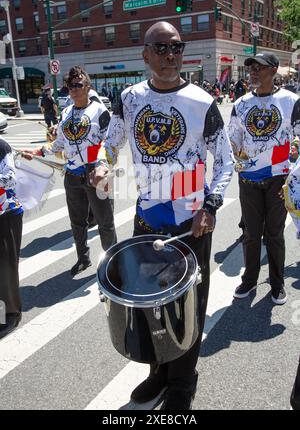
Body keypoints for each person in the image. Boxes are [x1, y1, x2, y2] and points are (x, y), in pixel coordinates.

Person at [90, 21, 234, 410]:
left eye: (177, 47)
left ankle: (182, 383)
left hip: (190, 224)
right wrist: (104, 165)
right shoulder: (130, 97)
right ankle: (157, 373)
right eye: (162, 48)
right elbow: (111, 142)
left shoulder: (202, 101)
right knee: (147, 302)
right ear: (146, 55)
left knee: (189, 303)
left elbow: (225, 162)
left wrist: (210, 206)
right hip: (147, 220)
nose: (171, 56)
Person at [22, 66, 117, 276]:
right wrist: (38, 151)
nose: (74, 89)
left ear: (87, 86)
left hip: (96, 174)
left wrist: (103, 165)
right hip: (72, 175)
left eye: (78, 84)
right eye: (70, 86)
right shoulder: (66, 113)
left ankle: (112, 264)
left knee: (105, 223)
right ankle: (83, 258)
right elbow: (59, 144)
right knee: (77, 223)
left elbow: (110, 143)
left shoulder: (100, 111)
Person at [228, 52, 300, 305]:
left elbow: (299, 137)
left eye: (260, 68)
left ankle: (277, 284)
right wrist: (235, 149)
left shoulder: (291, 101)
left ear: (274, 70)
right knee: (250, 233)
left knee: (274, 234)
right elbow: (233, 135)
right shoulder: (241, 103)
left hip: (278, 179)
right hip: (248, 178)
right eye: (251, 68)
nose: (254, 72)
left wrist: (294, 155)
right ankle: (249, 280)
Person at [0, 137, 23, 339]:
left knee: (6, 268)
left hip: (6, 213)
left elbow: (10, 178)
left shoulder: (2, 146)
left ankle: (11, 314)